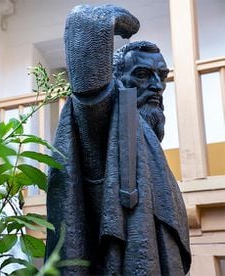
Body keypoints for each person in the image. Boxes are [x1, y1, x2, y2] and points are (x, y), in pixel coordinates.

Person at [45, 5, 191, 275]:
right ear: (116, 81)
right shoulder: (107, 126)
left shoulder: (150, 152)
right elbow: (91, 96)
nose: (157, 87)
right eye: (142, 75)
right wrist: (92, 24)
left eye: (162, 77)